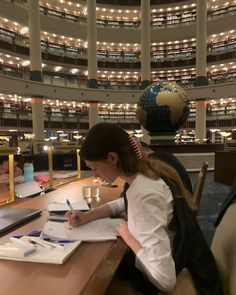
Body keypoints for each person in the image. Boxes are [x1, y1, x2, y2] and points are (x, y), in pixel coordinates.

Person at [66, 123, 223, 294]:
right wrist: (87, 216)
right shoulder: (143, 175)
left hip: (155, 277)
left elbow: (165, 281)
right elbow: (122, 203)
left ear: (112, 157)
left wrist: (129, 238)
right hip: (173, 257)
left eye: (94, 168)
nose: (95, 175)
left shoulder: (144, 195)